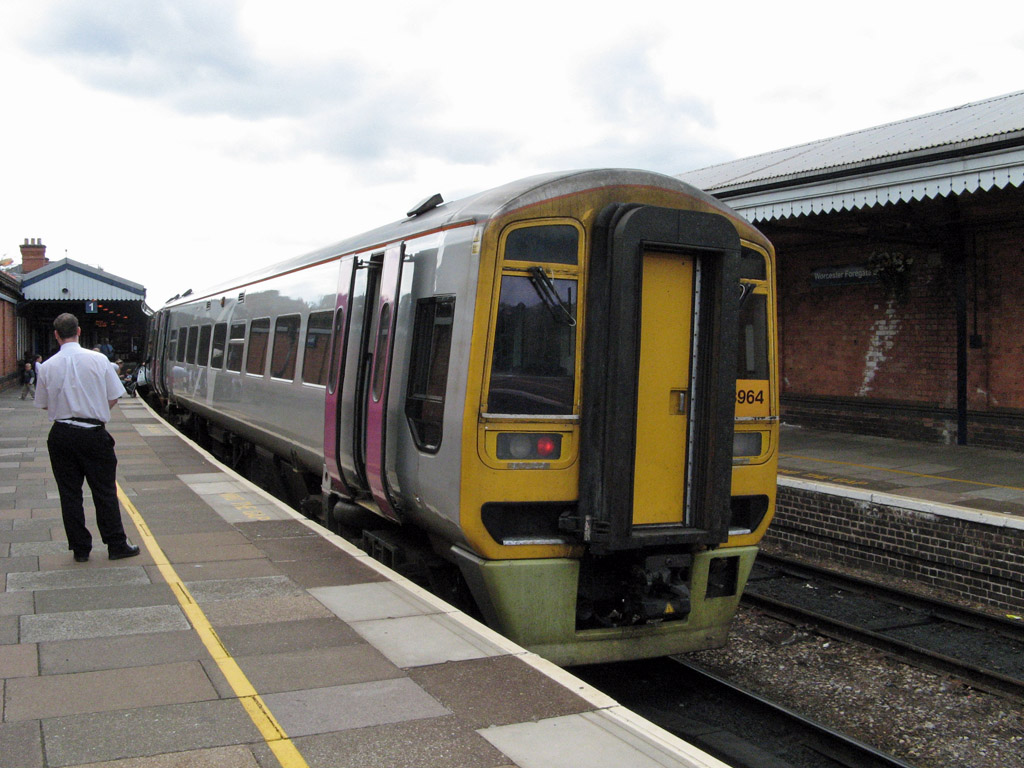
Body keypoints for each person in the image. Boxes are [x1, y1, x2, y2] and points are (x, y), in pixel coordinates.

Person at [34, 313, 140, 563]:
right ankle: (116, 545)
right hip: (93, 433)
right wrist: (96, 411)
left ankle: (80, 549)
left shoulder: (47, 366)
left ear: (56, 335)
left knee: (69, 494)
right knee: (104, 491)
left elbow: (42, 403)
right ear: (79, 331)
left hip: (60, 435)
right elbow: (115, 394)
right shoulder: (99, 360)